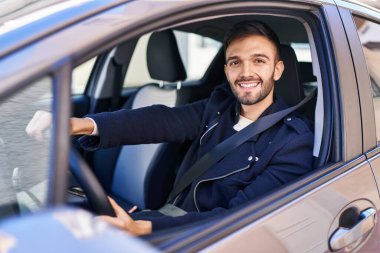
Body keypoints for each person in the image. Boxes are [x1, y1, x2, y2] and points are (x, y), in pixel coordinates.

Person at [26, 20, 314, 235]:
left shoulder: (292, 141)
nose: (246, 72)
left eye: (259, 61)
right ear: (226, 70)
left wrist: (144, 227)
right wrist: (81, 124)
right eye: (235, 62)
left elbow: (237, 218)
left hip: (206, 237)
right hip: (165, 218)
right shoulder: (217, 107)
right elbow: (158, 120)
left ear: (277, 70)